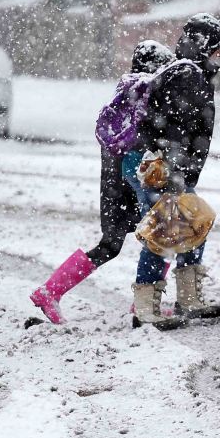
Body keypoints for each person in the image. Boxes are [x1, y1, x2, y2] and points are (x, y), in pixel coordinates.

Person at [29, 40, 175, 324]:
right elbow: (150, 144)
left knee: (112, 245)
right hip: (134, 182)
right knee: (164, 236)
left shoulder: (123, 95)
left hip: (112, 182)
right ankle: (145, 304)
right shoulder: (146, 95)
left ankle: (50, 291)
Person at [126, 13, 220, 327]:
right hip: (165, 170)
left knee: (195, 224)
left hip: (172, 169)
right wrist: (172, 169)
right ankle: (146, 308)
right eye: (217, 51)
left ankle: (189, 300)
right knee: (163, 233)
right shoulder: (186, 74)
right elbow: (166, 125)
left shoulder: (188, 72)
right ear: (202, 46)